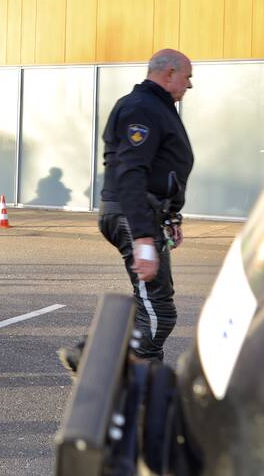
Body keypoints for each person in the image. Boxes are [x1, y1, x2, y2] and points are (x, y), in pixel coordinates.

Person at [99, 48, 194, 361]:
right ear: (169, 73)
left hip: (145, 215)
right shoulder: (142, 108)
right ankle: (137, 383)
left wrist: (171, 219)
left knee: (151, 303)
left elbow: (161, 170)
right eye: (186, 77)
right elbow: (131, 171)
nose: (189, 85)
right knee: (160, 313)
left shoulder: (157, 107)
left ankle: (99, 355)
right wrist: (142, 239)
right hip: (132, 216)